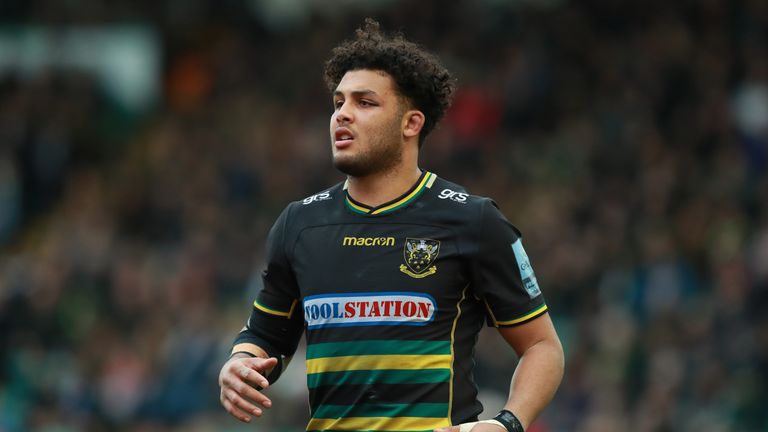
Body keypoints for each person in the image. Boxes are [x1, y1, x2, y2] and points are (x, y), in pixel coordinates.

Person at [218, 18, 564, 432]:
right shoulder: (300, 223)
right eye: (338, 102)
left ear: (411, 123)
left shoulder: (472, 220)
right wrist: (239, 365)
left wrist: (507, 423)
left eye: (364, 103)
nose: (343, 115)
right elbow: (266, 335)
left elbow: (542, 346)